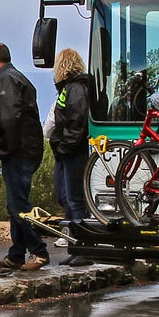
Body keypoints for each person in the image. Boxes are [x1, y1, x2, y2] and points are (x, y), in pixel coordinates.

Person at [0, 41, 48, 269]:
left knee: (18, 204)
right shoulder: (16, 77)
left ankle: (39, 251)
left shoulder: (4, 79)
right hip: (26, 148)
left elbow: (9, 117)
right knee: (15, 202)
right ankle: (16, 253)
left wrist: (3, 148)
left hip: (19, 151)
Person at [49, 47, 97, 266]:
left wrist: (63, 147)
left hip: (74, 151)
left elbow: (75, 122)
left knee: (76, 200)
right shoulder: (72, 88)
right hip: (70, 150)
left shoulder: (75, 89)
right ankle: (76, 246)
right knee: (70, 198)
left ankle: (83, 249)